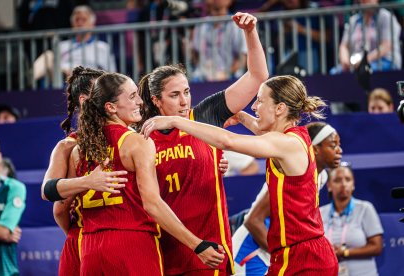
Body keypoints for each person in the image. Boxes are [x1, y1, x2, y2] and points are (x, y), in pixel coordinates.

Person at [141, 75, 338, 275]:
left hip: (303, 255)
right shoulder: (292, 138)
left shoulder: (286, 144)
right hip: (299, 252)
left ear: (279, 108)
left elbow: (228, 141)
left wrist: (176, 121)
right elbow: (261, 134)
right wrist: (241, 116)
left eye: (260, 101)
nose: (255, 107)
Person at [136, 11, 268, 275]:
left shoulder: (204, 116)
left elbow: (257, 76)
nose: (184, 101)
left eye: (186, 92)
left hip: (212, 249)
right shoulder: (141, 136)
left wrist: (250, 33)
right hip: (164, 252)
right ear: (156, 101)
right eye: (174, 95)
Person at [70, 72, 224, 275]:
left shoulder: (79, 149)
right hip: (132, 244)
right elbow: (151, 203)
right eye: (132, 96)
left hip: (90, 248)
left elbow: (59, 206)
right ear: (111, 107)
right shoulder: (137, 141)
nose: (140, 102)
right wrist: (197, 244)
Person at [40, 66, 129, 276]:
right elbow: (51, 196)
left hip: (86, 238)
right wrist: (89, 181)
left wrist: (75, 233)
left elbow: (59, 210)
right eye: (100, 91)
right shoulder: (129, 139)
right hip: (115, 239)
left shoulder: (71, 146)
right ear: (84, 100)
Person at [229, 121, 342, 275]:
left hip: (276, 251)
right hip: (251, 251)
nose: (339, 150)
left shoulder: (322, 176)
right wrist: (286, 255)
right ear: (315, 149)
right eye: (333, 145)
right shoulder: (292, 171)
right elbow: (253, 221)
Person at [320, 165, 383, 276]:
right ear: (329, 186)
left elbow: (377, 247)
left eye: (348, 179)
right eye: (338, 180)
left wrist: (345, 252)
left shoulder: (365, 208)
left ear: (353, 185)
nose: (343, 184)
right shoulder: (320, 213)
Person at [33, 5, 117, 81]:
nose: (80, 23)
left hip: (88, 81)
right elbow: (53, 68)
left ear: (92, 24)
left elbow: (111, 74)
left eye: (83, 20)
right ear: (72, 25)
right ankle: (28, 79)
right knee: (48, 55)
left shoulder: (102, 47)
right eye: (77, 20)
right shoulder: (62, 45)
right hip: (63, 78)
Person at [331, 0, 402, 74]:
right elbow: (344, 46)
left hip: (384, 61)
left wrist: (365, 60)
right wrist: (345, 61)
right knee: (334, 72)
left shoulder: (386, 17)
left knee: (364, 71)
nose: (365, 1)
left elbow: (386, 46)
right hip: (356, 64)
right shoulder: (353, 20)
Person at [0, 136, 26, 276]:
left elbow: (4, 231)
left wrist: (3, 232)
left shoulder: (14, 188)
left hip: (4, 271)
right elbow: (1, 233)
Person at [191, 0, 247, 81]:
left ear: (230, 1)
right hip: (203, 76)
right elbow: (195, 53)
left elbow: (242, 56)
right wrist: (205, 71)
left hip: (231, 76)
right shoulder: (201, 24)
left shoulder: (236, 25)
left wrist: (226, 74)